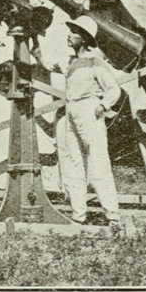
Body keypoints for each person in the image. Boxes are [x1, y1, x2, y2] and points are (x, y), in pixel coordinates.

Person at [60, 15, 122, 226]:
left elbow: (114, 88)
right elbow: (48, 62)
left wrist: (103, 105)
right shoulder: (71, 63)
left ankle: (112, 215)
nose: (69, 35)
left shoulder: (96, 62)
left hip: (89, 110)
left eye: (74, 33)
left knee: (98, 164)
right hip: (71, 111)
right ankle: (78, 215)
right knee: (73, 162)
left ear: (84, 39)